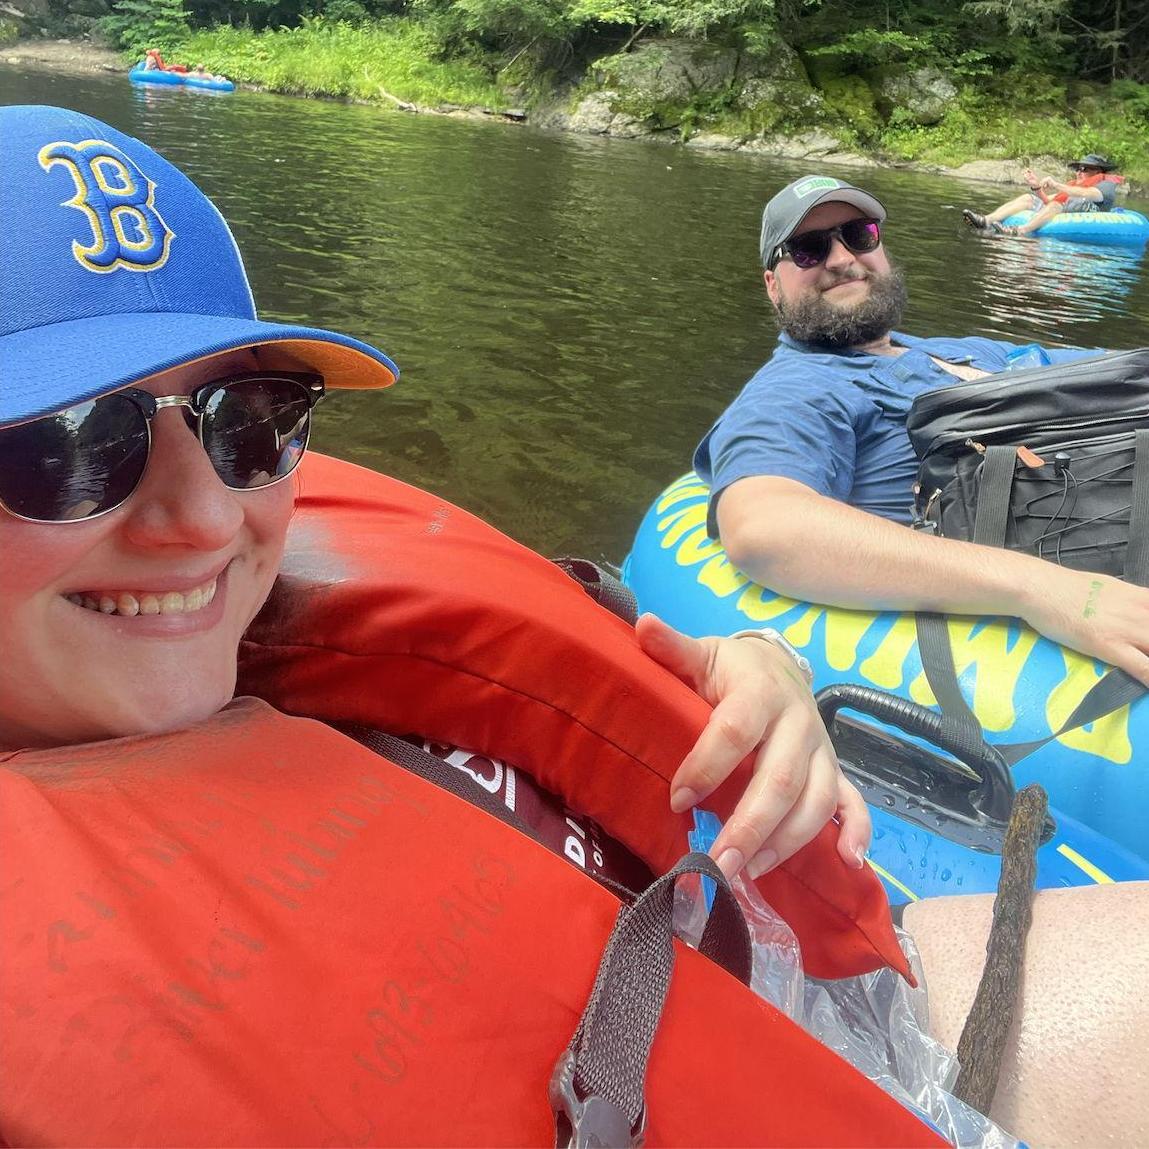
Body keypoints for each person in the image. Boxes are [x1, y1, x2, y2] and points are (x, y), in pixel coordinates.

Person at [1, 106, 1145, 1148]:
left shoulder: (292, 621)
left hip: (862, 997)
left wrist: (758, 668)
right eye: (67, 445)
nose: (204, 517)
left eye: (250, 420)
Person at [693, 173, 1149, 688]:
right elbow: (764, 529)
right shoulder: (798, 388)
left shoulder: (964, 350)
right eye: (807, 249)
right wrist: (1044, 589)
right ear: (773, 286)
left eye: (859, 235)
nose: (842, 259)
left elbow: (1123, 374)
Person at [962, 154, 1124, 236]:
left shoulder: (1105, 185)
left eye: (1085, 169)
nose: (1079, 172)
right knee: (1028, 198)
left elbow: (1088, 193)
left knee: (1056, 205)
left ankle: (1020, 231)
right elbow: (1047, 200)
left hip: (1088, 216)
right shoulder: (1073, 186)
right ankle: (986, 221)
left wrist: (1057, 185)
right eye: (1078, 169)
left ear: (1098, 172)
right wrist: (1036, 187)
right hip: (1061, 209)